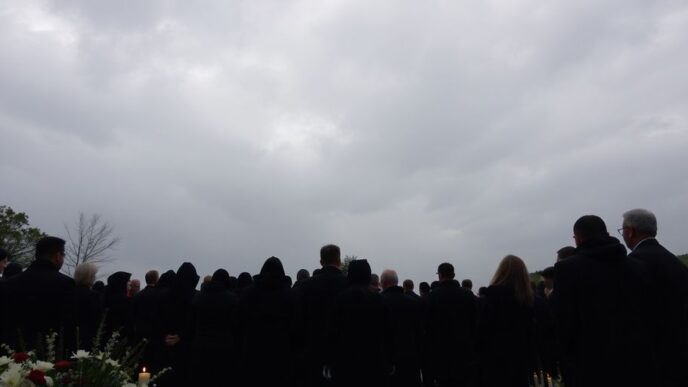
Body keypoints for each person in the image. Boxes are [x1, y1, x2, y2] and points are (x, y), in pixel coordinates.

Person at [553, 215, 654, 387]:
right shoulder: (637, 267)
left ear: (578, 238)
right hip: (634, 362)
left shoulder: (567, 269)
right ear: (606, 234)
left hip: (588, 366)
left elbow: (564, 322)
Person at [620, 209, 688, 387]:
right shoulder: (674, 262)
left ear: (631, 231)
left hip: (650, 356)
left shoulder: (632, 264)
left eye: (623, 231)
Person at [0, 237, 75, 351]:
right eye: (63, 255)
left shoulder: (9, 283)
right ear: (58, 255)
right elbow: (68, 324)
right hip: (48, 353)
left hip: (13, 352)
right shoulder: (66, 283)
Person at [236, 257, 302, 387]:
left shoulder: (247, 294)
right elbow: (298, 328)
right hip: (283, 357)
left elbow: (238, 324)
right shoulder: (292, 295)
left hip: (252, 355)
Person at [328, 260, 392, 387]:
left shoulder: (340, 298)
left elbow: (333, 332)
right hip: (375, 363)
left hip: (346, 364)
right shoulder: (381, 300)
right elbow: (389, 333)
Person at [477, 255, 535, 387]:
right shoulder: (527, 297)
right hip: (520, 355)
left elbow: (484, 326)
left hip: (497, 355)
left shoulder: (494, 292)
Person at [299, 244, 348, 387]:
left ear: (321, 262)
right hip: (343, 353)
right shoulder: (348, 284)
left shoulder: (306, 286)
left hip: (313, 351)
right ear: (339, 261)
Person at [423, 262, 478, 387]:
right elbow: (475, 321)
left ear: (440, 275)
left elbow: (427, 325)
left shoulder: (433, 296)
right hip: (465, 351)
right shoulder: (468, 295)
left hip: (441, 353)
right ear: (453, 274)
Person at [190, 269, 240, 386]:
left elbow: (191, 322)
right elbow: (236, 324)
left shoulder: (198, 297)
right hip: (224, 346)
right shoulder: (232, 299)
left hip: (200, 345)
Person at [154, 262, 200, 387]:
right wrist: (181, 336)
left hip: (165, 345)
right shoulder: (196, 297)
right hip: (186, 348)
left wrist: (165, 335)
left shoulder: (164, 295)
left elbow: (157, 319)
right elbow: (195, 323)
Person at [381, 269, 422, 387]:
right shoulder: (415, 302)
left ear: (383, 283)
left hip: (387, 361)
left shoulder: (378, 301)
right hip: (411, 358)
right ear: (397, 282)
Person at [133, 270, 161, 364]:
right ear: (157, 279)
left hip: (139, 331)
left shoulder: (138, 295)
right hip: (154, 333)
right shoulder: (159, 295)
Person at [73, 263, 103, 349]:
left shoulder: (69, 292)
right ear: (90, 277)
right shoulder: (94, 296)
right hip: (87, 338)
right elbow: (98, 319)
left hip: (69, 336)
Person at [103, 271, 134, 341]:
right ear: (121, 282)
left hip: (104, 337)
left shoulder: (104, 297)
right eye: (128, 280)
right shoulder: (126, 301)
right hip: (119, 339)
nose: (130, 283)